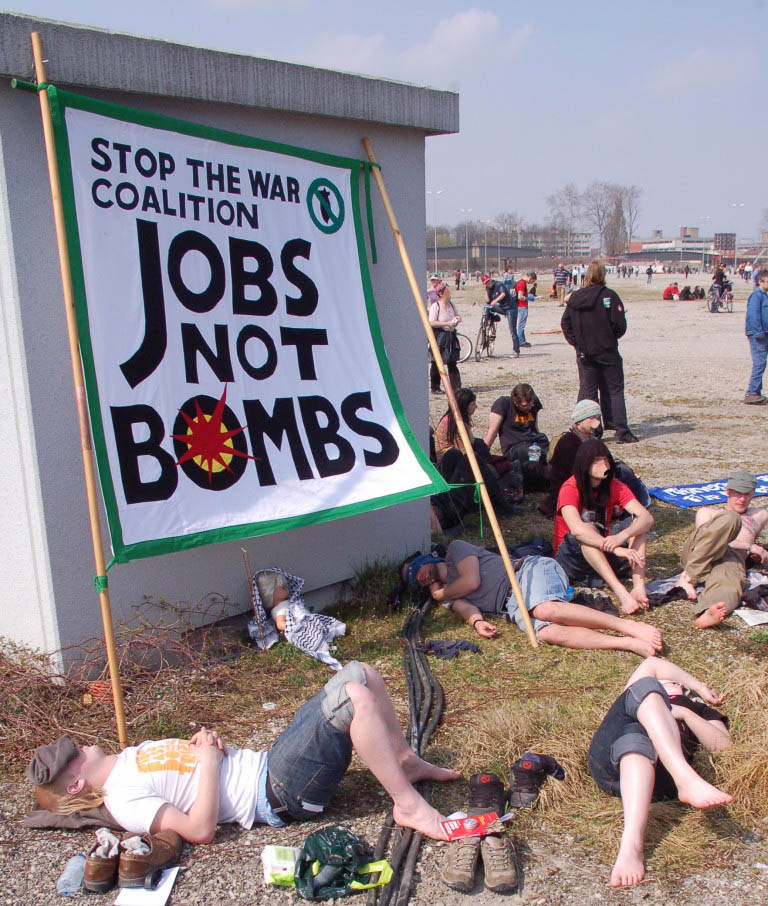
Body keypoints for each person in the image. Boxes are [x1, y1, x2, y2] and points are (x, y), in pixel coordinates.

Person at [27, 662, 459, 843]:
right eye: (74, 754)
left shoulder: (129, 755)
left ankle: (402, 760)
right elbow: (199, 830)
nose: (81, 745)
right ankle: (408, 806)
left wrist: (205, 744)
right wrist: (212, 764)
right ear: (78, 781)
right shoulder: (123, 802)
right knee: (353, 700)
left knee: (360, 673)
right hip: (278, 794)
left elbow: (189, 770)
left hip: (268, 763)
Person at [588, 657, 732, 888]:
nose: (676, 685)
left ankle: (632, 844)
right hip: (608, 763)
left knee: (637, 733)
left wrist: (686, 714)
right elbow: (652, 664)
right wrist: (698, 685)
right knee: (644, 696)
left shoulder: (699, 710)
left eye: (680, 687)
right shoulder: (637, 695)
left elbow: (725, 747)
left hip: (656, 783)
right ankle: (685, 777)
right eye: (668, 682)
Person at [399, 543, 662, 656]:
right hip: (511, 607)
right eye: (411, 579)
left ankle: (628, 626)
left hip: (528, 572)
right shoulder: (446, 598)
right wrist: (477, 622)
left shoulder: (456, 550)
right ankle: (626, 643)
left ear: (427, 559)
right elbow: (464, 606)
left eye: (414, 568)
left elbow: (471, 582)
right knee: (546, 633)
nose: (416, 576)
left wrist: (441, 593)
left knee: (544, 609)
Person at [554, 440, 653, 614]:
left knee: (638, 527)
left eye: (606, 459)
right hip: (571, 558)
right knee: (587, 532)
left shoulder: (614, 485)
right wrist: (616, 549)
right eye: (597, 461)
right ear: (585, 464)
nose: (604, 465)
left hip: (603, 551)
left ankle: (638, 587)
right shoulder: (570, 488)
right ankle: (622, 593)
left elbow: (646, 517)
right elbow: (577, 530)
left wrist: (621, 537)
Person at [677, 470, 768, 628]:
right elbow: (706, 542)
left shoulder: (759, 515)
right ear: (727, 492)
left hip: (730, 560)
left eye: (747, 494)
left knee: (731, 583)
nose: (742, 499)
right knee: (731, 518)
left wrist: (752, 554)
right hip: (699, 555)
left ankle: (708, 612)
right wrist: (750, 546)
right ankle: (686, 577)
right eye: (737, 494)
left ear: (753, 493)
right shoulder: (708, 513)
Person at [561, 259, 638, 444]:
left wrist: (578, 344)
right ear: (603, 275)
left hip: (585, 353)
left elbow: (566, 324)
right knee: (615, 390)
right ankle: (621, 430)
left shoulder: (576, 298)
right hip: (606, 351)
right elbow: (619, 325)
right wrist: (609, 338)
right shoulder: (609, 296)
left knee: (589, 392)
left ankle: (592, 431)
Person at [539, 400, 649, 519]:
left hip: (593, 484)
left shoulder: (591, 440)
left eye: (598, 418)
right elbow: (579, 477)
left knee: (624, 471)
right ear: (580, 420)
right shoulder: (568, 443)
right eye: (592, 419)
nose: (596, 423)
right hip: (576, 490)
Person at [485, 383, 549, 490]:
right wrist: (483, 453)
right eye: (524, 406)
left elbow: (535, 428)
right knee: (534, 453)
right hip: (515, 446)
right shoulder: (503, 404)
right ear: (515, 401)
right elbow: (492, 431)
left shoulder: (534, 403)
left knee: (554, 451)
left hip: (533, 442)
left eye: (530, 405)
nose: (528, 408)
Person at [428, 284, 462, 394]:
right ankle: (435, 387)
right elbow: (432, 322)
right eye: (447, 290)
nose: (449, 292)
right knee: (437, 362)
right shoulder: (436, 306)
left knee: (452, 362)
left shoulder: (451, 304)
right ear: (441, 293)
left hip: (451, 335)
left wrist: (457, 319)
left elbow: (457, 316)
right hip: (440, 336)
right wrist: (447, 323)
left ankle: (456, 388)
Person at [744, 268, 768, 404]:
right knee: (759, 363)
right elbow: (753, 315)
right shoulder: (756, 296)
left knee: (762, 363)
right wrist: (758, 333)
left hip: (765, 333)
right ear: (761, 281)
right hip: (758, 334)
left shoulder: (765, 295)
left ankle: (756, 392)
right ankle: (752, 392)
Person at [481, 273, 519, 356]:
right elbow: (488, 301)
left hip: (510, 308)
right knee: (487, 307)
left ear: (490, 279)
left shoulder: (499, 284)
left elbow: (503, 294)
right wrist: (486, 291)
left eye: (488, 281)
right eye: (485, 283)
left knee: (512, 330)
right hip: (501, 307)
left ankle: (516, 350)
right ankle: (486, 323)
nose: (488, 283)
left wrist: (495, 301)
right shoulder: (488, 288)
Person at [516, 271, 536, 347]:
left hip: (521, 305)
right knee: (521, 324)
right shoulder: (522, 284)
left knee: (521, 324)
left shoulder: (520, 282)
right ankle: (521, 341)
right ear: (530, 278)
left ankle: (522, 340)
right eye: (532, 281)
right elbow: (520, 296)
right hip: (522, 306)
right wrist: (527, 298)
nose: (531, 283)